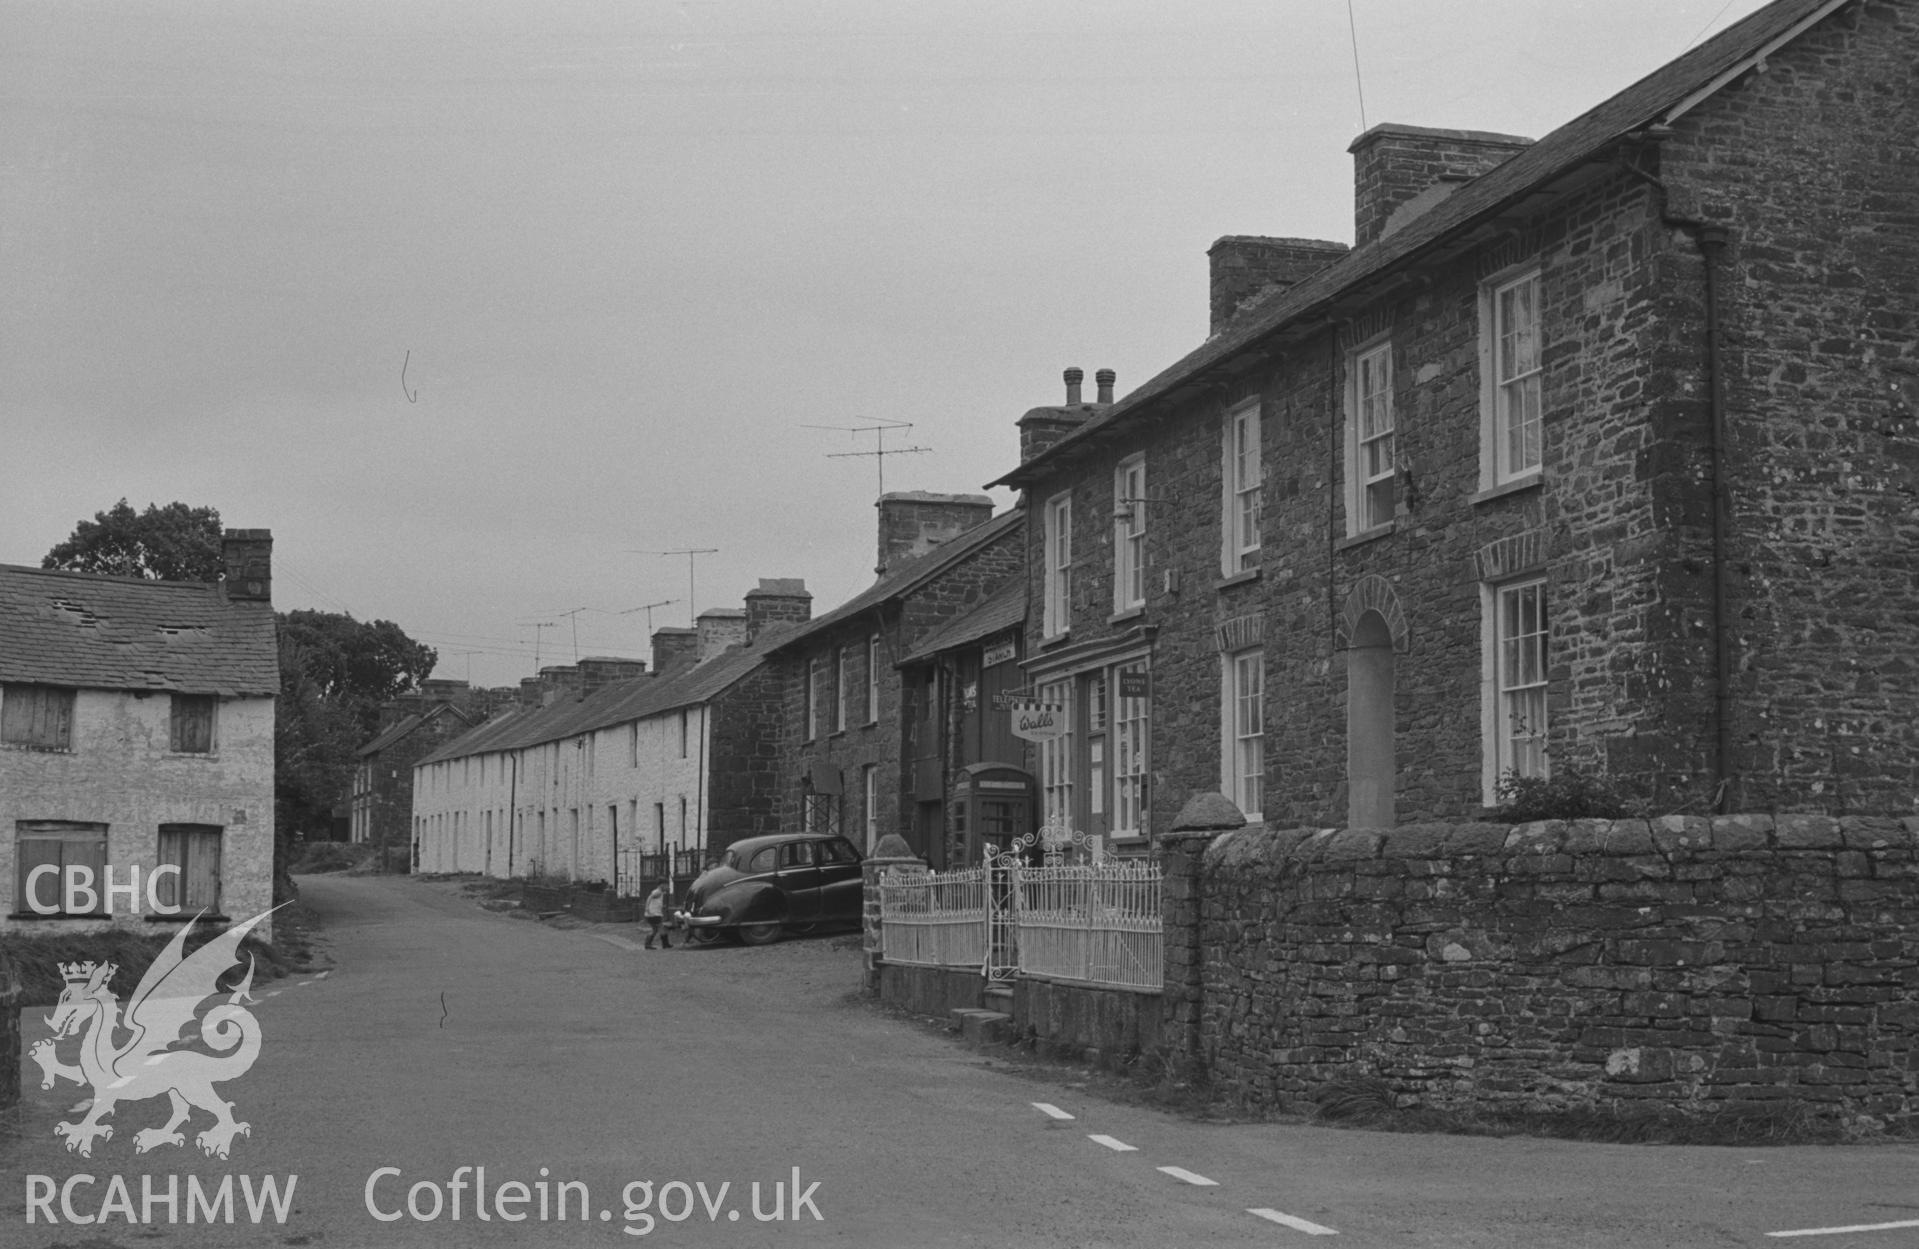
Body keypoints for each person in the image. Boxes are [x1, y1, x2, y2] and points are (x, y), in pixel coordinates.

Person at [643, 884, 672, 950]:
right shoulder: (658, 892)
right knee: (661, 928)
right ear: (661, 885)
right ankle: (665, 944)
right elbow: (650, 897)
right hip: (654, 914)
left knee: (655, 930)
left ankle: (648, 944)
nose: (667, 887)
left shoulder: (659, 892)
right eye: (666, 885)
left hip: (651, 914)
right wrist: (647, 907)